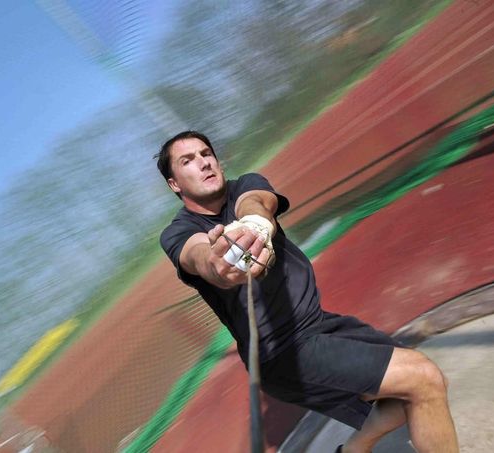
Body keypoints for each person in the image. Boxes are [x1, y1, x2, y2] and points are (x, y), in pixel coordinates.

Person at [158, 130, 459, 453]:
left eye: (206, 154)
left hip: (320, 324)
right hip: (283, 351)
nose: (203, 163)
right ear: (175, 184)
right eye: (188, 161)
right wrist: (219, 264)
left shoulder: (245, 186)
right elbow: (198, 256)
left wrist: (256, 226)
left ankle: (355, 449)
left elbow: (258, 203)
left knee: (416, 392)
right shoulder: (179, 233)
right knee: (424, 379)